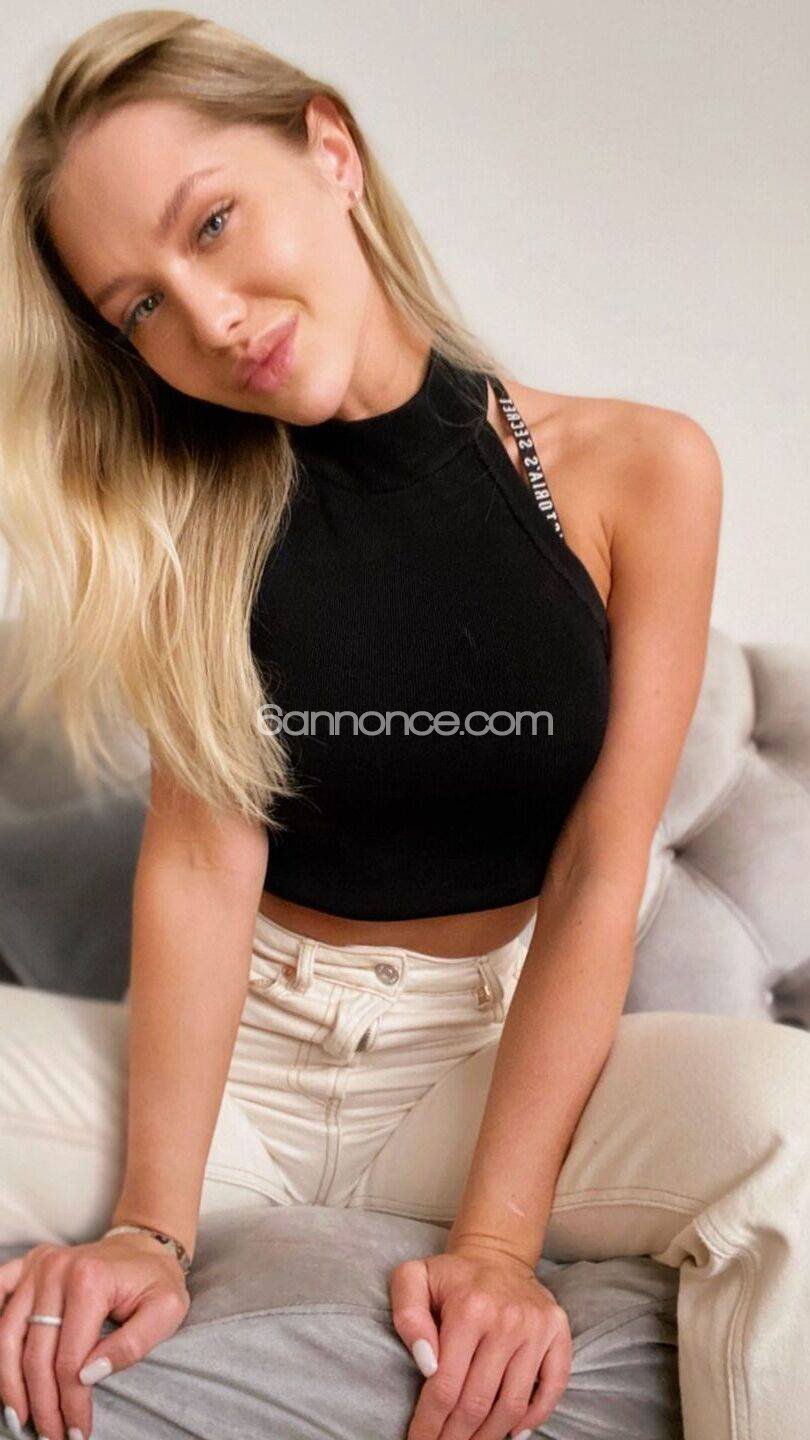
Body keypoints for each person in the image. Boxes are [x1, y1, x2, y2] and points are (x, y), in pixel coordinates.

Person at [0, 11, 807, 1440]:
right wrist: (150, 1228)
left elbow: (598, 866)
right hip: (234, 1073)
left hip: (483, 1077)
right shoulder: (185, 517)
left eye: (213, 224)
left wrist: (497, 1245)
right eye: (140, 309)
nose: (210, 317)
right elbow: (201, 865)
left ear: (330, 150)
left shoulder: (639, 468)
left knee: (789, 1125)